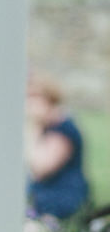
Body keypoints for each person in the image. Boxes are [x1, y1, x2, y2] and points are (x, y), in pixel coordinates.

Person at [26, 76, 89, 221]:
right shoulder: (49, 127)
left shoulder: (62, 130)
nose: (28, 104)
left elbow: (40, 168)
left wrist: (33, 127)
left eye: (33, 98)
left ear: (49, 100)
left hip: (61, 198)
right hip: (45, 195)